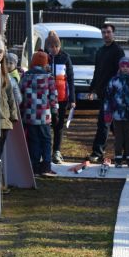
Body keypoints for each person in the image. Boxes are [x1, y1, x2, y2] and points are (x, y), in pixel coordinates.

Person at [88, 23, 125, 162]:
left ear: (113, 33)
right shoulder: (101, 51)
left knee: (104, 123)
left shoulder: (118, 51)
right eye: (103, 32)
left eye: (108, 32)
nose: (106, 35)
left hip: (114, 95)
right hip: (102, 93)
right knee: (115, 125)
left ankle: (97, 152)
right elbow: (97, 72)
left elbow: (122, 72)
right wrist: (92, 89)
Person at [20, 50, 59, 177]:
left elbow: (20, 95)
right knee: (46, 140)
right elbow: (53, 98)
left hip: (29, 115)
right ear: (44, 63)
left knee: (33, 141)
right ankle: (46, 166)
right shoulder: (49, 77)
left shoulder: (25, 76)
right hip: (44, 116)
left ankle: (35, 167)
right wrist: (55, 112)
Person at [103, 57, 129, 168]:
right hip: (117, 114)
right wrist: (107, 112)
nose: (125, 68)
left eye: (127, 66)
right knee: (118, 137)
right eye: (123, 66)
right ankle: (118, 158)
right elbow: (108, 97)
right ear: (120, 67)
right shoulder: (114, 80)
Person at [45, 31, 75, 165]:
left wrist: (72, 99)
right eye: (51, 47)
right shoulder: (44, 57)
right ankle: (45, 151)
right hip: (45, 98)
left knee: (59, 126)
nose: (54, 49)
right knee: (46, 125)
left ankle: (56, 151)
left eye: (56, 46)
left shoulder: (65, 57)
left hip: (62, 98)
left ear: (59, 46)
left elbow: (71, 79)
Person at [0, 39, 19, 189]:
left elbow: (11, 97)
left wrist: (13, 116)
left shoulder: (5, 74)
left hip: (4, 121)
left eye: (1, 51)